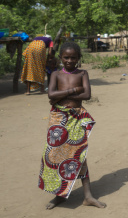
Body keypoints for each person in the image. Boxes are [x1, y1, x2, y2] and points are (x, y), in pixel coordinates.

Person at [39, 42, 106, 209]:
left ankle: (88, 196)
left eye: (73, 58)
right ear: (60, 58)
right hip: (58, 119)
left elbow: (87, 94)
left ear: (78, 58)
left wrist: (59, 97)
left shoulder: (83, 73)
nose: (69, 60)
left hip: (76, 117)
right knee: (56, 154)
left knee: (80, 155)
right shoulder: (55, 74)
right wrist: (72, 91)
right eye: (66, 57)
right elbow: (51, 94)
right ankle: (59, 194)